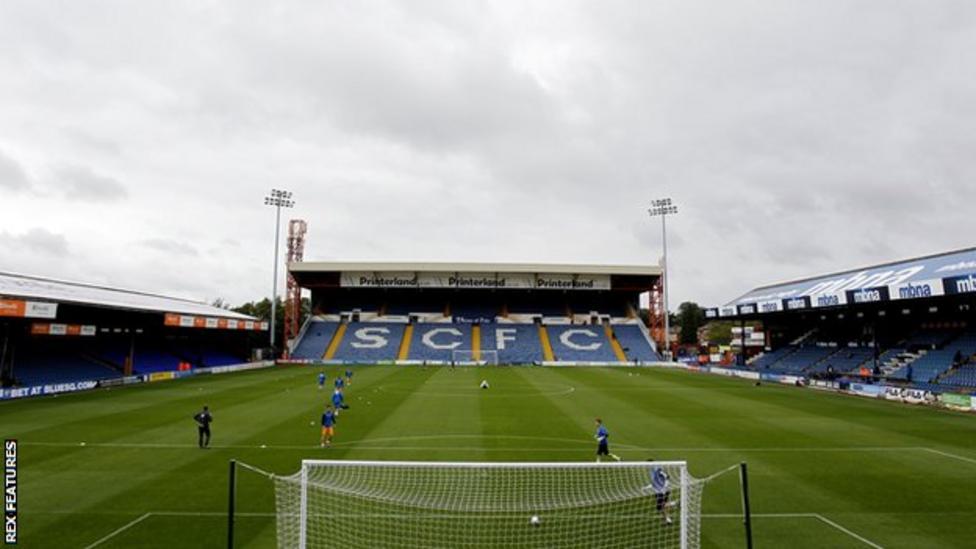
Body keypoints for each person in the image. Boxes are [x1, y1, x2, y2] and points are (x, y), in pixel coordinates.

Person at [646, 459, 673, 524]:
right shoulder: (651, 471)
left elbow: (667, 476)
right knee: (662, 506)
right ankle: (666, 519)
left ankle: (674, 505)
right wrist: (648, 486)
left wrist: (665, 487)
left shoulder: (658, 470)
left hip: (662, 491)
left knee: (660, 507)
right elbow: (655, 482)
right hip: (658, 491)